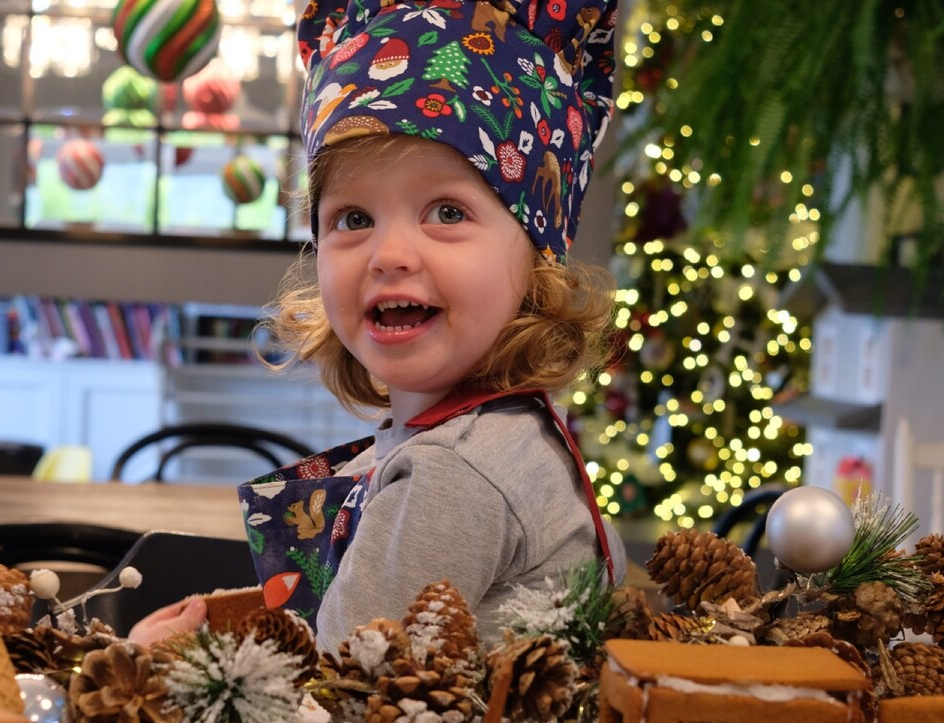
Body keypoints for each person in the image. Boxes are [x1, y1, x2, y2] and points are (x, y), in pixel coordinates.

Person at [133, 0, 626, 653]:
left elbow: (341, 710)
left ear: (538, 262)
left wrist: (156, 668)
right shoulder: (507, 436)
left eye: (447, 211)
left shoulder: (452, 474)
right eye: (354, 219)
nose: (389, 253)